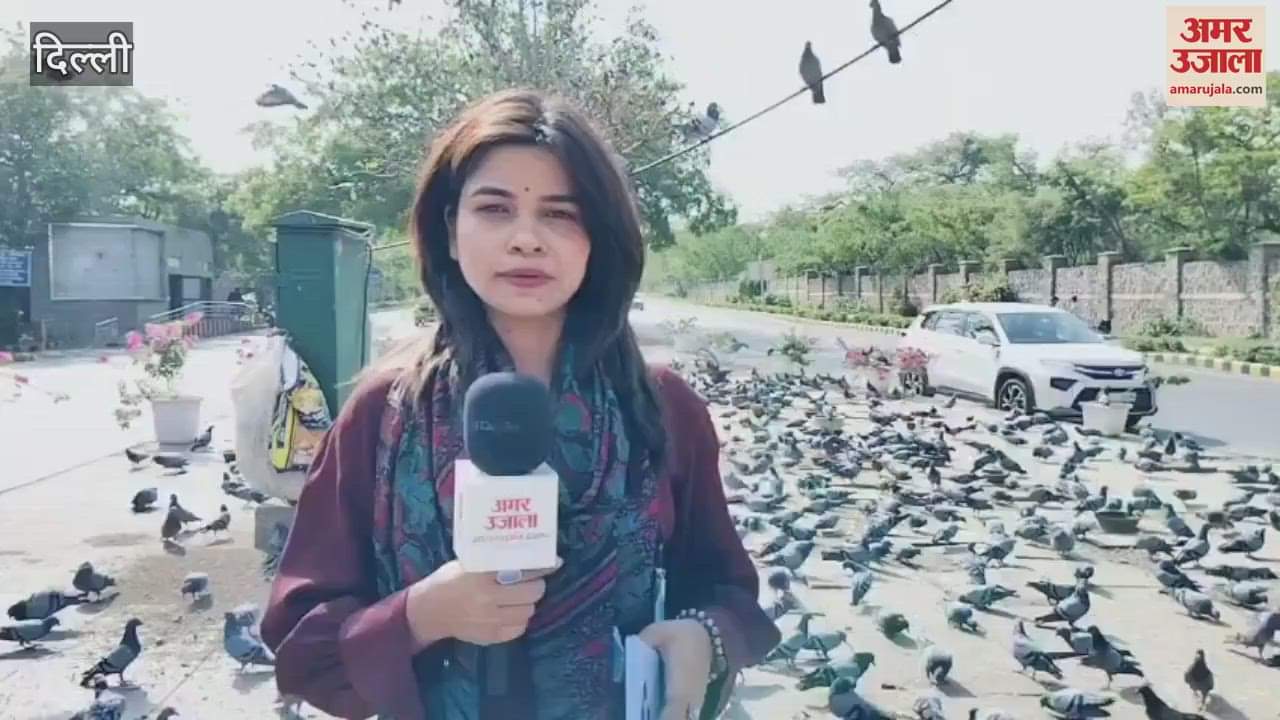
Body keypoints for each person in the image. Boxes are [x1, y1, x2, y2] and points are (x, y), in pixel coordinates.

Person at [260, 89, 781, 720]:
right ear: (449, 232)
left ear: (599, 241)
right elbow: (301, 652)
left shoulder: (665, 407)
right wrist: (419, 616)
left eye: (561, 215)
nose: (527, 239)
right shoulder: (382, 411)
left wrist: (705, 637)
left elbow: (727, 590)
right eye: (495, 208)